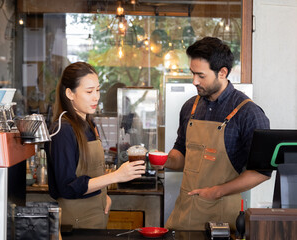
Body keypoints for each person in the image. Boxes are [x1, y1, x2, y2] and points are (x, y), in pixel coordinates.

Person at [160, 37, 271, 231]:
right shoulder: (190, 107)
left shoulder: (248, 113)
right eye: (192, 73)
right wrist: (163, 160)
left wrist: (217, 191)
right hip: (184, 213)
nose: (194, 81)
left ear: (222, 72)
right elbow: (181, 155)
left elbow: (262, 172)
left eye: (201, 75)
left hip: (222, 218)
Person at [44, 62, 145, 229]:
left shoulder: (89, 125)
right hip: (76, 223)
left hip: (96, 215)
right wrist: (116, 176)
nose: (96, 97)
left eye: (97, 90)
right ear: (70, 93)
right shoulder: (63, 130)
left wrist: (103, 195)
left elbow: (91, 173)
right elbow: (67, 187)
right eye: (89, 91)